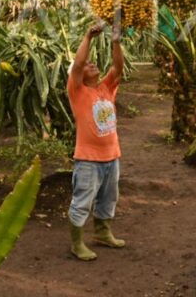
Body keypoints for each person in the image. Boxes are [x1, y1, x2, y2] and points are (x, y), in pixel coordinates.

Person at [67, 20, 126, 261]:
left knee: (108, 199)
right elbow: (78, 64)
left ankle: (102, 233)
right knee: (82, 201)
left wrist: (115, 40)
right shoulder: (77, 91)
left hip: (112, 156)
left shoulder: (106, 88)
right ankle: (77, 243)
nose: (91, 64)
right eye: (87, 64)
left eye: (93, 63)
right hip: (88, 160)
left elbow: (118, 67)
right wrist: (87, 37)